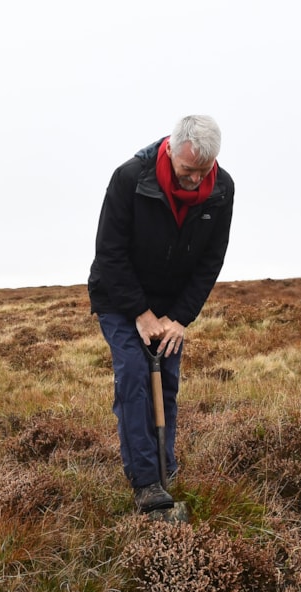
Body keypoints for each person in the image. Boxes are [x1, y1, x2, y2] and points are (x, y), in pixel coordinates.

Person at [87, 115, 234, 513]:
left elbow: (211, 260)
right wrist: (141, 313)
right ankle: (147, 482)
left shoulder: (221, 188)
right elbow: (110, 253)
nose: (194, 180)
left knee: (166, 379)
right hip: (119, 298)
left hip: (170, 306)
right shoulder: (130, 178)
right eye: (188, 170)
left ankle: (164, 461)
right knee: (135, 374)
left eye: (203, 170)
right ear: (170, 149)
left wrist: (180, 318)